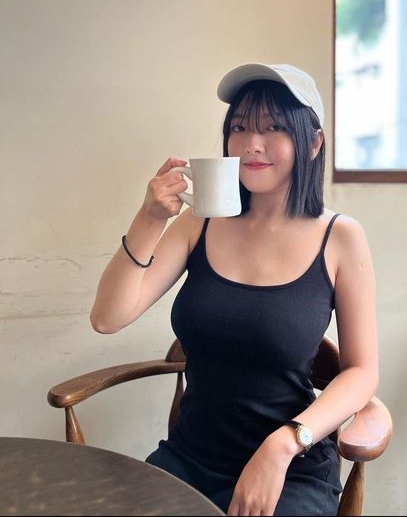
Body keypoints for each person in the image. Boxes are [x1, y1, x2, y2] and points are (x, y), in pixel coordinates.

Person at [90, 63, 378, 516]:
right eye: (240, 127)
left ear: (313, 143)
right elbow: (108, 318)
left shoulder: (340, 237)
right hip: (189, 459)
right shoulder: (199, 223)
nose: (251, 144)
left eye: (274, 128)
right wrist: (150, 217)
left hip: (291, 468)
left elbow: (361, 372)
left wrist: (284, 444)